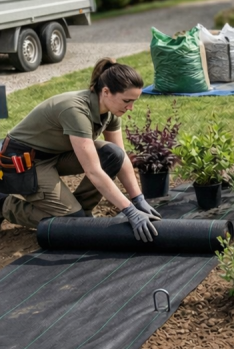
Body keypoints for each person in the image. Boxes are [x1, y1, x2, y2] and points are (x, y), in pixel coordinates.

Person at [0, 58, 161, 240]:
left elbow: (120, 156)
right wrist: (130, 212)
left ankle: (80, 210)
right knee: (70, 222)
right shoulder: (76, 110)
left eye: (133, 102)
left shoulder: (111, 111)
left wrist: (138, 199)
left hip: (56, 153)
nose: (130, 108)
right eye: (127, 101)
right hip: (26, 161)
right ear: (106, 91)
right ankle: (5, 204)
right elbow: (93, 171)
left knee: (112, 155)